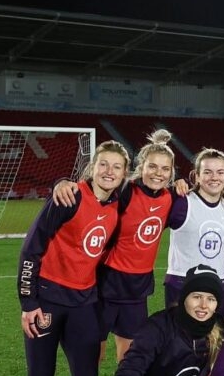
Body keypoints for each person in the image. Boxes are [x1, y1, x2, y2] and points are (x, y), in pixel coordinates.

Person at [17, 140, 129, 376]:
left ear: (124, 174)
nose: (109, 171)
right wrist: (28, 302)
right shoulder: (68, 197)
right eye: (104, 164)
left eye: (117, 167)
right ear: (92, 167)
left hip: (84, 305)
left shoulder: (115, 207)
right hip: (47, 303)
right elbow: (32, 247)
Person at [54, 129, 178, 362]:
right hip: (107, 281)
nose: (158, 174)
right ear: (141, 166)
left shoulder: (171, 197)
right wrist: (61, 182)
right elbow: (89, 192)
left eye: (165, 169)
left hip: (138, 288)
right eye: (152, 166)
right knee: (94, 351)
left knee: (130, 352)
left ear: (171, 173)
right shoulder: (124, 191)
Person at [164, 147, 224, 314]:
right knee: (180, 339)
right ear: (196, 175)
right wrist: (174, 187)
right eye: (207, 172)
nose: (214, 177)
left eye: (220, 172)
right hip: (182, 283)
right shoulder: (181, 203)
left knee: (216, 339)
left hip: (217, 285)